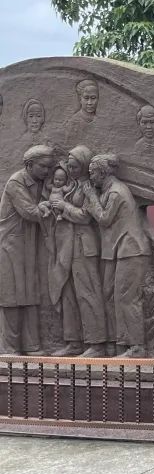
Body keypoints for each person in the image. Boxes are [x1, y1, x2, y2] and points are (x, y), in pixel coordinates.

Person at [85, 154, 151, 357]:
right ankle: (120, 344)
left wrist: (91, 197)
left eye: (93, 173)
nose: (91, 177)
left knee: (127, 298)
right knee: (111, 295)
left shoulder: (116, 192)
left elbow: (104, 218)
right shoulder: (108, 190)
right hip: (119, 251)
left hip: (131, 251)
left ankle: (137, 347)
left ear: (103, 173)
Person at [47, 146, 108, 357]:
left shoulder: (89, 188)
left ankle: (96, 344)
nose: (71, 170)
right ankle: (73, 341)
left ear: (83, 166)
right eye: (70, 166)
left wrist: (64, 207)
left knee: (88, 293)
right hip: (67, 247)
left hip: (84, 247)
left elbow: (86, 216)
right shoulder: (71, 185)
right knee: (69, 295)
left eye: (75, 167)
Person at [0, 146, 55, 355]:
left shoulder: (40, 182)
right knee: (12, 295)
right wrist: (48, 206)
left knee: (31, 293)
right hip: (11, 245)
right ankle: (10, 347)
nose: (46, 171)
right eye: (43, 167)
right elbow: (29, 211)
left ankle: (32, 345)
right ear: (29, 165)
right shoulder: (16, 182)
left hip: (28, 245)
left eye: (49, 167)